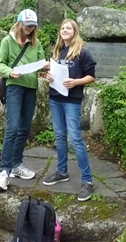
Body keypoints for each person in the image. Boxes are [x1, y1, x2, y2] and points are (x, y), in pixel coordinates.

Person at [42, 19, 96, 201]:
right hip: (55, 98)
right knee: (59, 136)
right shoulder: (57, 52)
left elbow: (91, 77)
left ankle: (87, 181)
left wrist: (76, 82)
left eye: (68, 28)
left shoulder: (82, 52)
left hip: (71, 101)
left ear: (75, 31)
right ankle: (62, 172)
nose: (65, 30)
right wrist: (47, 76)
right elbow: (48, 75)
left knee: (75, 138)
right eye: (62, 27)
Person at [0, 9, 46, 192]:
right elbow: (0, 63)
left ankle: (16, 165)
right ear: (19, 23)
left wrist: (45, 67)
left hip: (30, 88)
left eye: (33, 26)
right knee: (13, 127)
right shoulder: (7, 41)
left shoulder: (36, 43)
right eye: (27, 25)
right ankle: (3, 172)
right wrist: (9, 72)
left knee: (24, 128)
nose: (30, 29)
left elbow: (40, 64)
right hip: (14, 87)